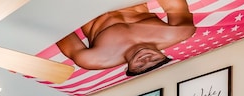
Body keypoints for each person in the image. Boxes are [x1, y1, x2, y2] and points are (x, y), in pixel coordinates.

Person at [56, 0, 195, 76]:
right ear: (162, 54)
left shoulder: (95, 59)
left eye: (140, 66)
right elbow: (174, 4)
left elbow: (57, 30)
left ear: (130, 68)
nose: (146, 59)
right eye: (154, 60)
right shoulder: (178, 32)